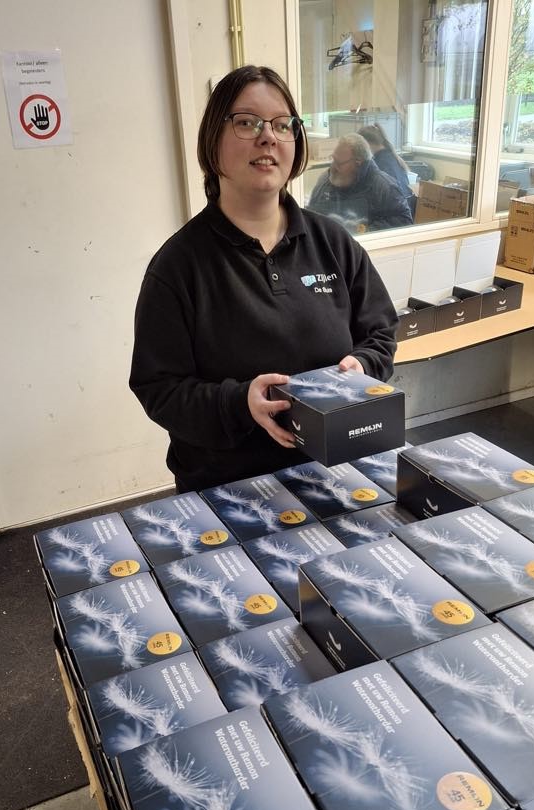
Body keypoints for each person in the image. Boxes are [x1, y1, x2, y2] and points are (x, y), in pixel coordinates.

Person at [129, 66, 398, 494]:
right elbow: (159, 388)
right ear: (212, 140)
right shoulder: (179, 265)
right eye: (247, 122)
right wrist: (239, 403)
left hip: (336, 473)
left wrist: (363, 365)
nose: (268, 136)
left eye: (282, 124)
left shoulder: (332, 243)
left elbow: (380, 332)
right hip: (229, 491)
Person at [305, 133, 413, 234]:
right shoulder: (326, 180)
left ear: (358, 162)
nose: (333, 167)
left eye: (339, 163)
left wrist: (365, 230)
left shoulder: (383, 186)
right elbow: (311, 214)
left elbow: (404, 222)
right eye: (333, 160)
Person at [357, 123, 416, 217]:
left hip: (394, 212)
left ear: (367, 144)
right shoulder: (393, 157)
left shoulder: (379, 164)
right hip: (405, 208)